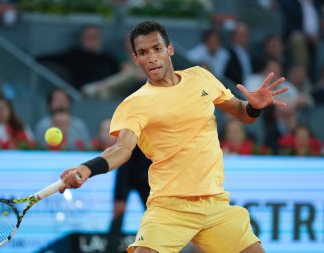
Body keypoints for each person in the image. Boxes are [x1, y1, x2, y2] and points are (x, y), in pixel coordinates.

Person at [58, 21, 289, 253]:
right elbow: (122, 149)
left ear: (170, 49)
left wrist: (254, 107)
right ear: (136, 59)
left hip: (215, 204)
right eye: (143, 52)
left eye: (157, 49)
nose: (151, 58)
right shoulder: (135, 104)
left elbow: (242, 113)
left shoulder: (201, 77)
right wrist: (87, 169)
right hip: (169, 207)